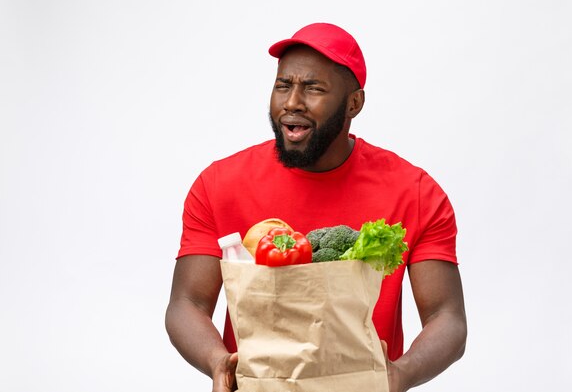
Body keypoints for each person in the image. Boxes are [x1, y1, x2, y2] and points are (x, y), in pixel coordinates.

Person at [165, 22, 467, 392]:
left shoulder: (415, 192)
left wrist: (399, 375)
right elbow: (186, 303)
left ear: (353, 103)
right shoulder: (218, 184)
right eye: (283, 85)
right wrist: (217, 363)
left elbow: (446, 317)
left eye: (313, 88)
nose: (292, 102)